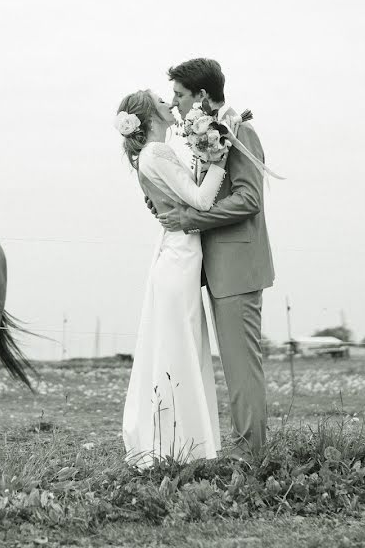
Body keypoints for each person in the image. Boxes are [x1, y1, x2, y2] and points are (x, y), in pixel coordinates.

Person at [115, 89, 247, 468]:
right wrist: (220, 158)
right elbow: (202, 201)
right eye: (162, 99)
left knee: (176, 346)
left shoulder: (149, 156)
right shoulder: (157, 152)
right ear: (146, 113)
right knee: (180, 348)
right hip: (179, 256)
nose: (170, 102)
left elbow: (180, 198)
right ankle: (179, 445)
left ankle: (176, 441)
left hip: (178, 255)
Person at [153, 58, 275, 456]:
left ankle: (251, 452)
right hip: (212, 266)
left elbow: (249, 199)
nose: (174, 104)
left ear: (202, 96)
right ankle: (243, 445)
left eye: (180, 95)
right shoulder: (204, 136)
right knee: (230, 367)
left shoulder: (240, 133)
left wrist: (190, 220)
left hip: (238, 267)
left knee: (241, 367)